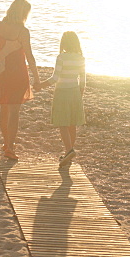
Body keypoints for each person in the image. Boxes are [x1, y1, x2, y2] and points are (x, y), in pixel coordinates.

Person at [0, 0, 40, 160]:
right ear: (23, 14)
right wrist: (37, 77)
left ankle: (6, 143)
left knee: (4, 107)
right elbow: (30, 57)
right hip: (18, 73)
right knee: (14, 111)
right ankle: (10, 146)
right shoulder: (23, 32)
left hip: (1, 71)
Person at [36, 31, 86, 168]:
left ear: (64, 43)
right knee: (72, 124)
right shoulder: (81, 59)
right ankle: (68, 153)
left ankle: (69, 150)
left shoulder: (61, 58)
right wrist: (79, 95)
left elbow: (55, 78)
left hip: (62, 92)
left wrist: (40, 86)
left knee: (62, 123)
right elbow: (83, 81)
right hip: (75, 92)